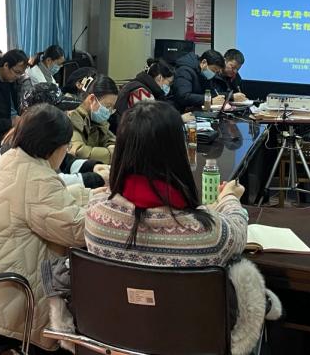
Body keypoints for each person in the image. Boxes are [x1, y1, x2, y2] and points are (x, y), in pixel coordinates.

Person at [85, 101, 279, 354]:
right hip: (191, 343)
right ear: (177, 151)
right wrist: (230, 199)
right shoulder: (208, 233)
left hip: (115, 341)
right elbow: (239, 231)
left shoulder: (96, 216)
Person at [0, 103, 86, 352]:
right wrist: (109, 210)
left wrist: (88, 196)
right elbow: (76, 230)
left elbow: (48, 204)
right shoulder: (37, 179)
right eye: (66, 147)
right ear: (53, 147)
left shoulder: (12, 158)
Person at [0, 84, 106, 190]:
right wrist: (95, 178)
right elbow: (48, 182)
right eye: (61, 112)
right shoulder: (21, 145)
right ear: (41, 118)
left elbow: (64, 162)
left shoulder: (36, 136)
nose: (67, 115)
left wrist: (93, 167)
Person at [112, 59, 175, 132]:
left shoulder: (137, 85)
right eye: (169, 82)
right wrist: (178, 120)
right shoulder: (142, 93)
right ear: (159, 77)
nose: (169, 87)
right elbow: (151, 124)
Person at [68, 75, 118, 165]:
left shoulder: (96, 118)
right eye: (107, 106)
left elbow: (109, 138)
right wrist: (111, 154)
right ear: (91, 99)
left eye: (112, 108)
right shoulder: (71, 115)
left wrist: (112, 146)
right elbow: (77, 151)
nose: (109, 111)